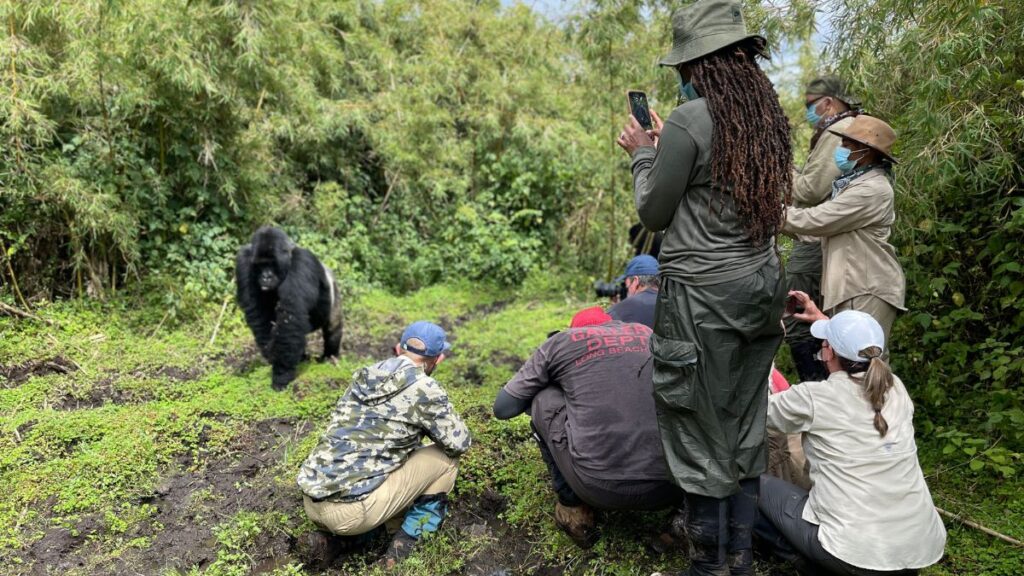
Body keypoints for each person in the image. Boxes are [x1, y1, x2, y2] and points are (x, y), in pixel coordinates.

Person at [616, 1, 792, 573]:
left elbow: (656, 211)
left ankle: (706, 562)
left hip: (704, 295)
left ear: (697, 65)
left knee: (693, 417)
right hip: (761, 283)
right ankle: (737, 557)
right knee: (744, 413)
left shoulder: (692, 119)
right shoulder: (764, 112)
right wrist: (670, 145)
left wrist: (645, 154)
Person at [756, 293, 947, 575]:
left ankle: (809, 564)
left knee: (752, 487)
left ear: (828, 352)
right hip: (917, 549)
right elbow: (861, 351)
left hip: (853, 554)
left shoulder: (815, 398)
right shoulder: (896, 388)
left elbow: (754, 413)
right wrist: (826, 322)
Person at [492, 307, 683, 548]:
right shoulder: (646, 333)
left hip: (598, 486)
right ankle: (685, 518)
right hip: (672, 486)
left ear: (574, 330)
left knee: (542, 397)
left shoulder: (561, 343)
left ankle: (573, 511)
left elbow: (503, 409)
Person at [296, 321, 471, 569]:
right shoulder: (425, 388)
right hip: (352, 513)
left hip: (312, 502)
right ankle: (406, 546)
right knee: (445, 460)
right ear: (437, 359)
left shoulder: (365, 374)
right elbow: (459, 442)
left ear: (399, 348)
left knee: (391, 459)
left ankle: (345, 541)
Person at [783, 115, 905, 351]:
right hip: (852, 286)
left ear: (867, 151)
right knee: (847, 358)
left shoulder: (871, 190)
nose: (842, 150)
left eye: (848, 145)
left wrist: (767, 211)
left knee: (864, 362)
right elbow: (818, 234)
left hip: (866, 287)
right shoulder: (853, 184)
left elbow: (816, 220)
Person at [786, 76, 863, 383]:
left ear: (828, 102)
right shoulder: (847, 128)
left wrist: (775, 166)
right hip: (826, 239)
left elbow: (807, 190)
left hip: (817, 241)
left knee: (796, 314)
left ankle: (817, 390)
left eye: (810, 105)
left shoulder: (838, 130)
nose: (808, 113)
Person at [608, 254, 660, 328]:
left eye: (626, 284)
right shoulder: (676, 305)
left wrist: (618, 308)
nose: (627, 289)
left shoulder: (620, 310)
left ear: (635, 281)